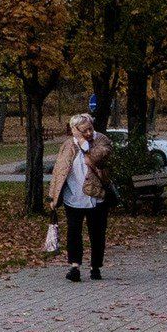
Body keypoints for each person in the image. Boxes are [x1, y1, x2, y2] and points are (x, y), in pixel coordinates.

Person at [47, 112, 113, 282]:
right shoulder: (68, 145)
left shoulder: (102, 140)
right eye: (84, 131)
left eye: (90, 128)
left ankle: (95, 267)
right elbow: (59, 171)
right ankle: (74, 267)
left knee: (97, 234)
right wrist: (53, 197)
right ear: (74, 130)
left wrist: (83, 141)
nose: (89, 133)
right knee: (73, 233)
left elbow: (98, 158)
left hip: (96, 197)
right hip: (73, 197)